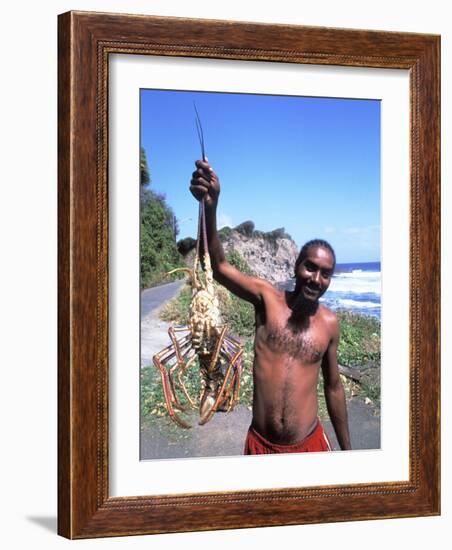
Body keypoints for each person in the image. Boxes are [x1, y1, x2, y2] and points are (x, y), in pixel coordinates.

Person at [190, 159, 352, 454]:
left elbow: (333, 387)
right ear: (296, 265)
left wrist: (348, 453)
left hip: (310, 446)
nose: (316, 278)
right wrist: (210, 207)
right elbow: (221, 266)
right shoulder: (266, 298)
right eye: (310, 267)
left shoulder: (329, 323)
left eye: (325, 273)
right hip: (261, 445)